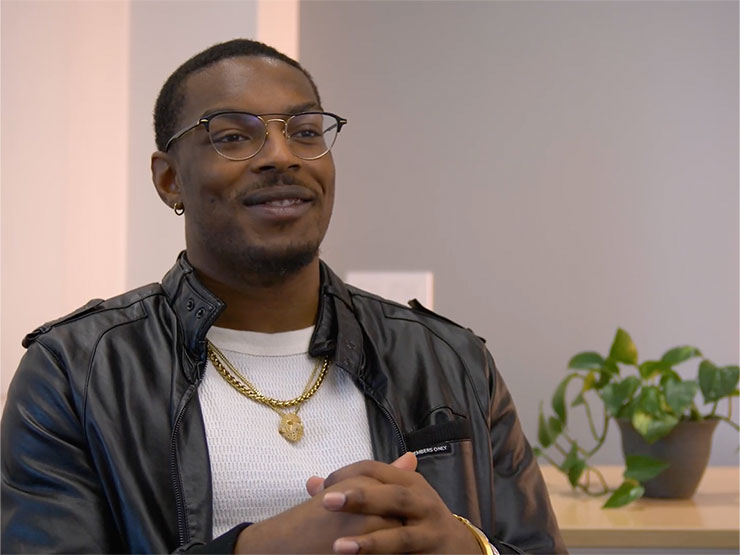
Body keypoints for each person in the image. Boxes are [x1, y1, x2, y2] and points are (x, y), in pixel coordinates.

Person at [1, 39, 565, 554]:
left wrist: (467, 550)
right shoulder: (77, 370)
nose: (281, 155)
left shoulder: (450, 360)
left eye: (305, 131)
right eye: (233, 136)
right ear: (169, 179)